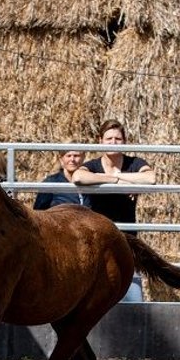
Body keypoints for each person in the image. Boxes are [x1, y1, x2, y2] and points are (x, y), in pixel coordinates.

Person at [72, 119, 156, 302]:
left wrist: (118, 176)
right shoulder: (93, 165)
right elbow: (78, 176)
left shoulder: (133, 162)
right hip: (97, 239)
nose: (113, 142)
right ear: (100, 140)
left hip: (126, 241)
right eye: (109, 138)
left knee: (133, 301)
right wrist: (116, 180)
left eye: (118, 139)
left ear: (124, 141)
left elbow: (150, 178)